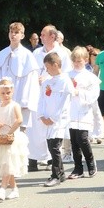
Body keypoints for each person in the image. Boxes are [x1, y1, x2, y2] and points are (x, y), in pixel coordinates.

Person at [30, 25, 73, 172]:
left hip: (55, 95)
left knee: (52, 128)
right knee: (36, 127)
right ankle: (33, 158)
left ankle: (51, 161)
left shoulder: (62, 53)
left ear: (52, 37)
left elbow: (66, 73)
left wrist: (48, 79)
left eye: (43, 35)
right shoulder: (36, 52)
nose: (40, 37)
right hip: (38, 93)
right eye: (40, 35)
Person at [0, 22, 40, 130]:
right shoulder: (1, 54)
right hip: (2, 103)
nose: (13, 35)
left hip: (20, 102)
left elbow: (31, 83)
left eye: (16, 32)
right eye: (11, 32)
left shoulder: (27, 55)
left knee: (18, 135)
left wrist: (25, 102)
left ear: (22, 35)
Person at [37, 53, 74, 187]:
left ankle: (56, 175)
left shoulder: (65, 80)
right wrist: (41, 115)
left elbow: (64, 102)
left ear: (56, 65)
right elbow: (41, 99)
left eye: (48, 67)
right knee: (50, 146)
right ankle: (61, 174)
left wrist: (53, 118)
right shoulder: (47, 81)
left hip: (58, 120)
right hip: (47, 119)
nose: (46, 70)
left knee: (54, 147)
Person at [0, 79, 28, 199]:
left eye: (8, 93)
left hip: (12, 138)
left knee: (8, 163)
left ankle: (2, 189)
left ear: (12, 91)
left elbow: (19, 119)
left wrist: (10, 132)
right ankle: (14, 189)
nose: (6, 95)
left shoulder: (14, 105)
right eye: (3, 93)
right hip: (1, 139)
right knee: (6, 164)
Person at [67, 46, 101, 179]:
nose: (77, 63)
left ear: (86, 60)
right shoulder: (68, 75)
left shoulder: (90, 77)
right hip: (71, 111)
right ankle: (78, 168)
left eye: (79, 61)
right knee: (74, 141)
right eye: (74, 61)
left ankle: (91, 164)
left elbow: (94, 94)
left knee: (82, 139)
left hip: (83, 110)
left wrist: (79, 93)